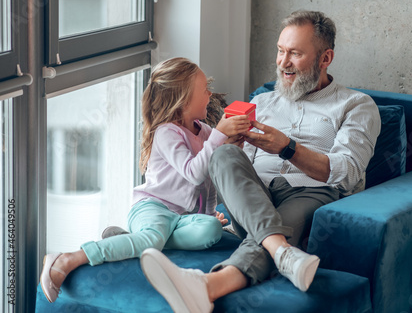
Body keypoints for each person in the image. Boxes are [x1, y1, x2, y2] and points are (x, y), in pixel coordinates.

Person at [142, 9, 382, 313]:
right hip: (254, 198)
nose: (283, 62)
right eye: (281, 51)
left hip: (310, 192)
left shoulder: (356, 105)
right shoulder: (261, 102)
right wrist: (233, 146)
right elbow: (236, 170)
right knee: (224, 153)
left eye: (295, 53)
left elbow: (347, 173)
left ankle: (206, 286)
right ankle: (282, 251)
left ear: (325, 58)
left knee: (277, 220)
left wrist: (288, 148)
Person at [39, 57, 252, 303]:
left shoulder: (203, 132)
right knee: (153, 237)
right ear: (183, 101)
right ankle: (68, 258)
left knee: (211, 229)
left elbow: (208, 178)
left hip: (179, 219)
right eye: (204, 90)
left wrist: (208, 211)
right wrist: (218, 137)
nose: (210, 94)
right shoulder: (167, 133)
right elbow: (193, 172)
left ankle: (129, 239)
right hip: (153, 207)